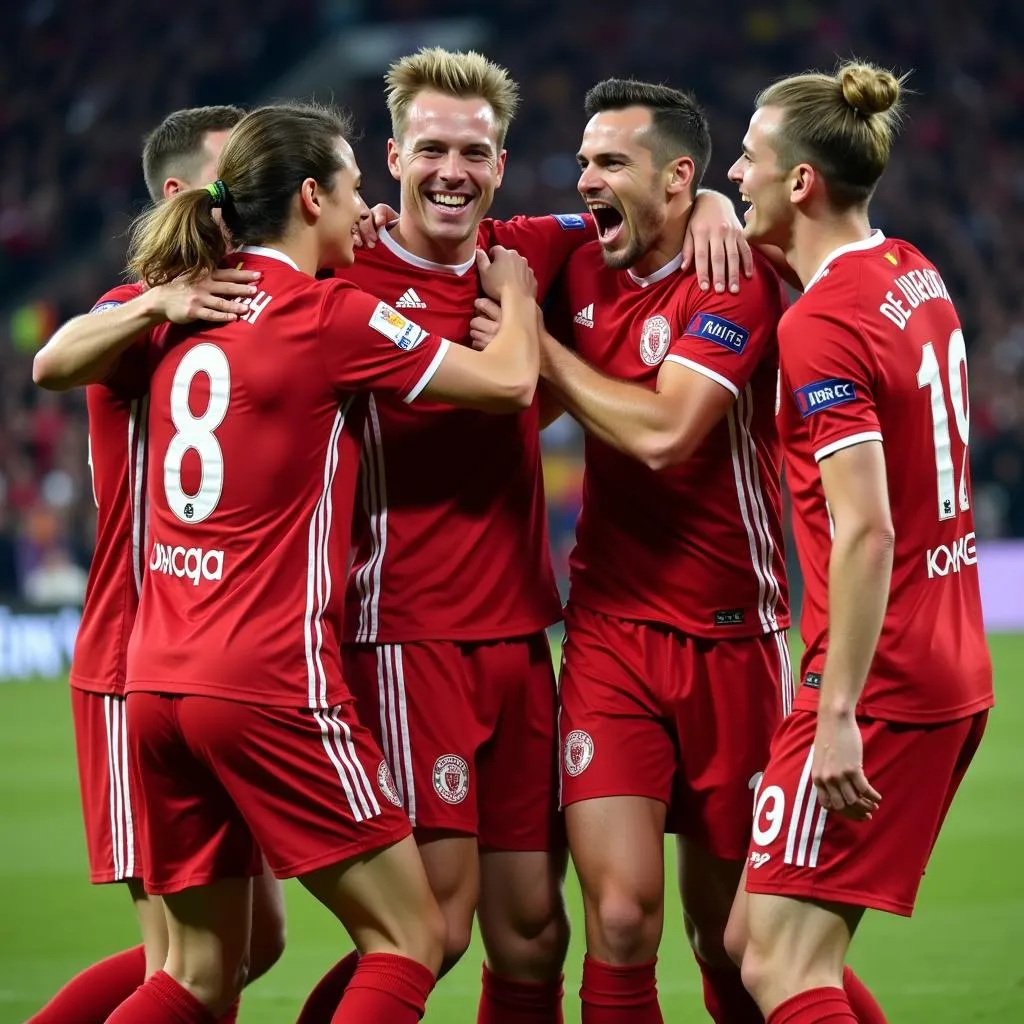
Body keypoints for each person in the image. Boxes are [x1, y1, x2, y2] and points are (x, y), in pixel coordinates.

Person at [34, 100, 543, 1024]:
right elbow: (509, 383)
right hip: (268, 677)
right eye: (355, 192)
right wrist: (521, 302)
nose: (369, 213)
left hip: (153, 680)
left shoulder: (177, 307)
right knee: (413, 938)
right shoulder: (328, 315)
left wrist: (153, 302)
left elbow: (52, 363)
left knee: (198, 971)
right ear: (311, 196)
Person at [327, 47, 753, 1024]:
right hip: (404, 637)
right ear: (390, 154)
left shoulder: (533, 251)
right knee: (425, 935)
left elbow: (655, 209)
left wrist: (716, 208)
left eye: (473, 152)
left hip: (522, 644)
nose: (451, 171)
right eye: (429, 148)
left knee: (532, 934)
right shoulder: (344, 268)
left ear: (501, 160)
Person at [509, 77, 792, 1024]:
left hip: (733, 640)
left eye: (610, 163)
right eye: (584, 162)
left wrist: (544, 355)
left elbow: (670, 434)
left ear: (675, 178)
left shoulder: (735, 272)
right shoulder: (576, 260)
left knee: (736, 943)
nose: (586, 180)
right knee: (622, 918)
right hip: (610, 636)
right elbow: (452, 237)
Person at [725, 61, 993, 1024]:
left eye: (748, 161)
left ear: (800, 181)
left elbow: (868, 529)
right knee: (755, 941)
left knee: (782, 968)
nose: (733, 179)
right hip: (948, 652)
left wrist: (837, 708)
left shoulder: (822, 321)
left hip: (877, 678)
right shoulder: (910, 269)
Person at [28, 106, 287, 1024]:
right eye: (235, 181)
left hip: (215, 660)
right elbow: (50, 362)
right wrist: (152, 300)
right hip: (135, 660)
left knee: (251, 945)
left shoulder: (254, 298)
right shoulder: (138, 309)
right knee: (189, 967)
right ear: (179, 197)